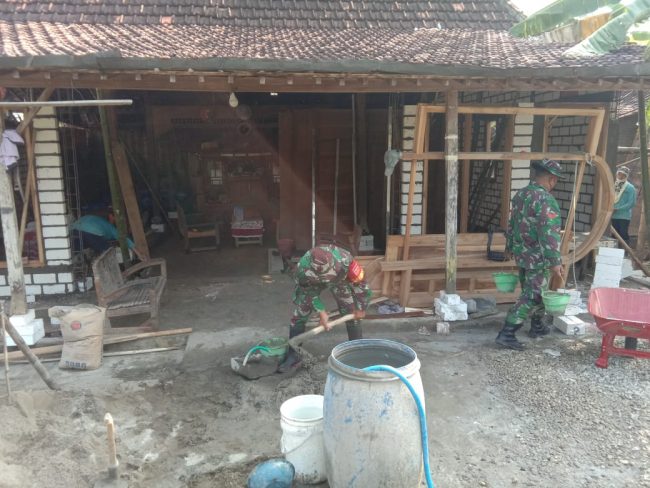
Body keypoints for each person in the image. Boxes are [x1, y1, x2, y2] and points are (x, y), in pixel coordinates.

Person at [496, 159, 565, 350]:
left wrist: (509, 247)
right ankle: (507, 333)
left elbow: (512, 223)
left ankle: (537, 325)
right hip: (538, 256)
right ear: (552, 179)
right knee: (533, 294)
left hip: (522, 253)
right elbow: (548, 233)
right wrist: (555, 261)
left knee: (536, 289)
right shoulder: (545, 200)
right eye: (556, 180)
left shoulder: (521, 194)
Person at [280, 244, 371, 371]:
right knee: (300, 314)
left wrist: (361, 307)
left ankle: (356, 352)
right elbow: (308, 292)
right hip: (312, 283)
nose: (326, 280)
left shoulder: (345, 260)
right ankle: (293, 355)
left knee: (351, 311)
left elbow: (361, 283)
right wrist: (321, 312)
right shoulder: (302, 270)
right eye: (324, 277)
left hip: (339, 280)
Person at [71, 214, 136, 255]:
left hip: (74, 229)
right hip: (92, 232)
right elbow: (122, 237)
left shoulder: (99, 220)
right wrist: (135, 249)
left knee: (75, 250)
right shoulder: (110, 226)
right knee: (108, 251)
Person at [611, 166, 637, 246]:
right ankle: (615, 251)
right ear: (617, 174)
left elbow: (631, 203)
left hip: (623, 216)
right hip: (613, 215)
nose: (620, 176)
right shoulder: (613, 185)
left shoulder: (630, 187)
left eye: (623, 175)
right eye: (619, 174)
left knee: (623, 234)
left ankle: (625, 251)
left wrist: (618, 209)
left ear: (626, 176)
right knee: (614, 235)